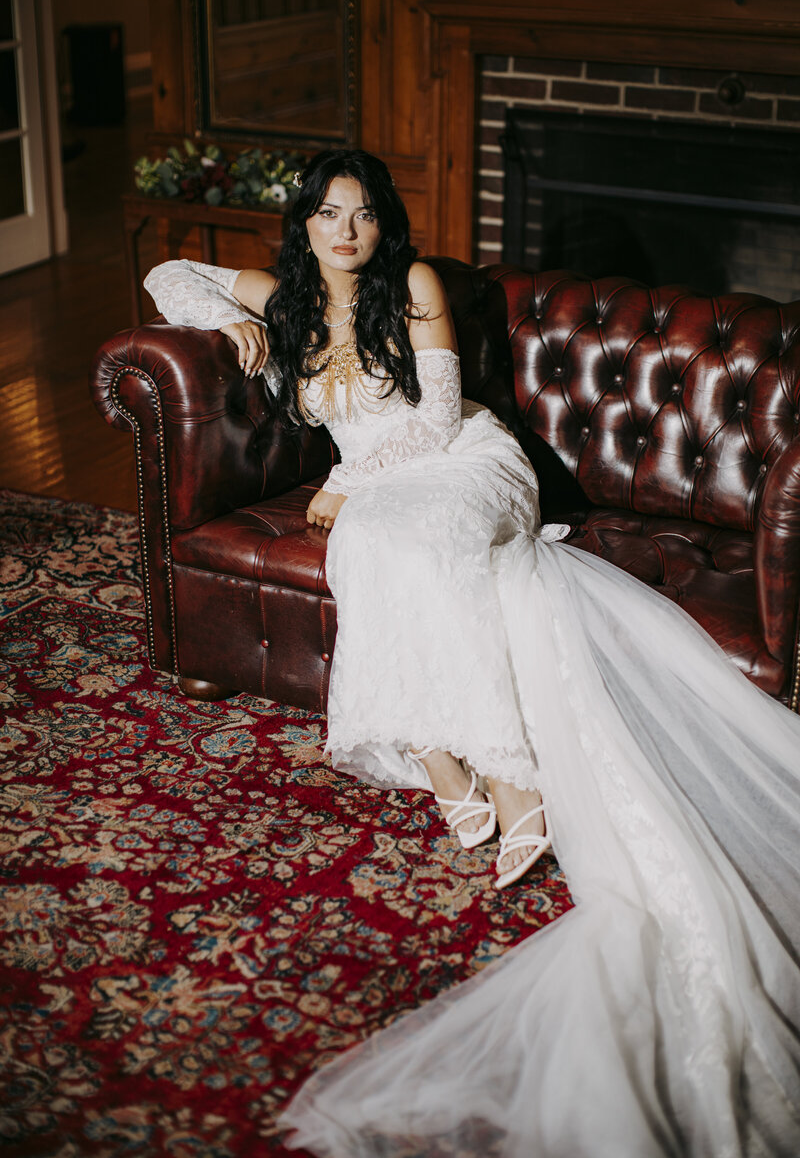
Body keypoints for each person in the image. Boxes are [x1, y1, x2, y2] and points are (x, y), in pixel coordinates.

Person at [144, 149, 800, 1157]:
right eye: (329, 215)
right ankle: (453, 762)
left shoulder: (408, 287)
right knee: (369, 549)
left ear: (382, 225)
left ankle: (505, 773)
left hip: (463, 466)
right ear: (304, 225)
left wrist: (344, 484)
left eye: (363, 215)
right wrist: (227, 319)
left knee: (393, 536)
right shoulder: (280, 301)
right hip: (375, 497)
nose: (348, 232)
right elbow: (166, 276)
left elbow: (440, 417)